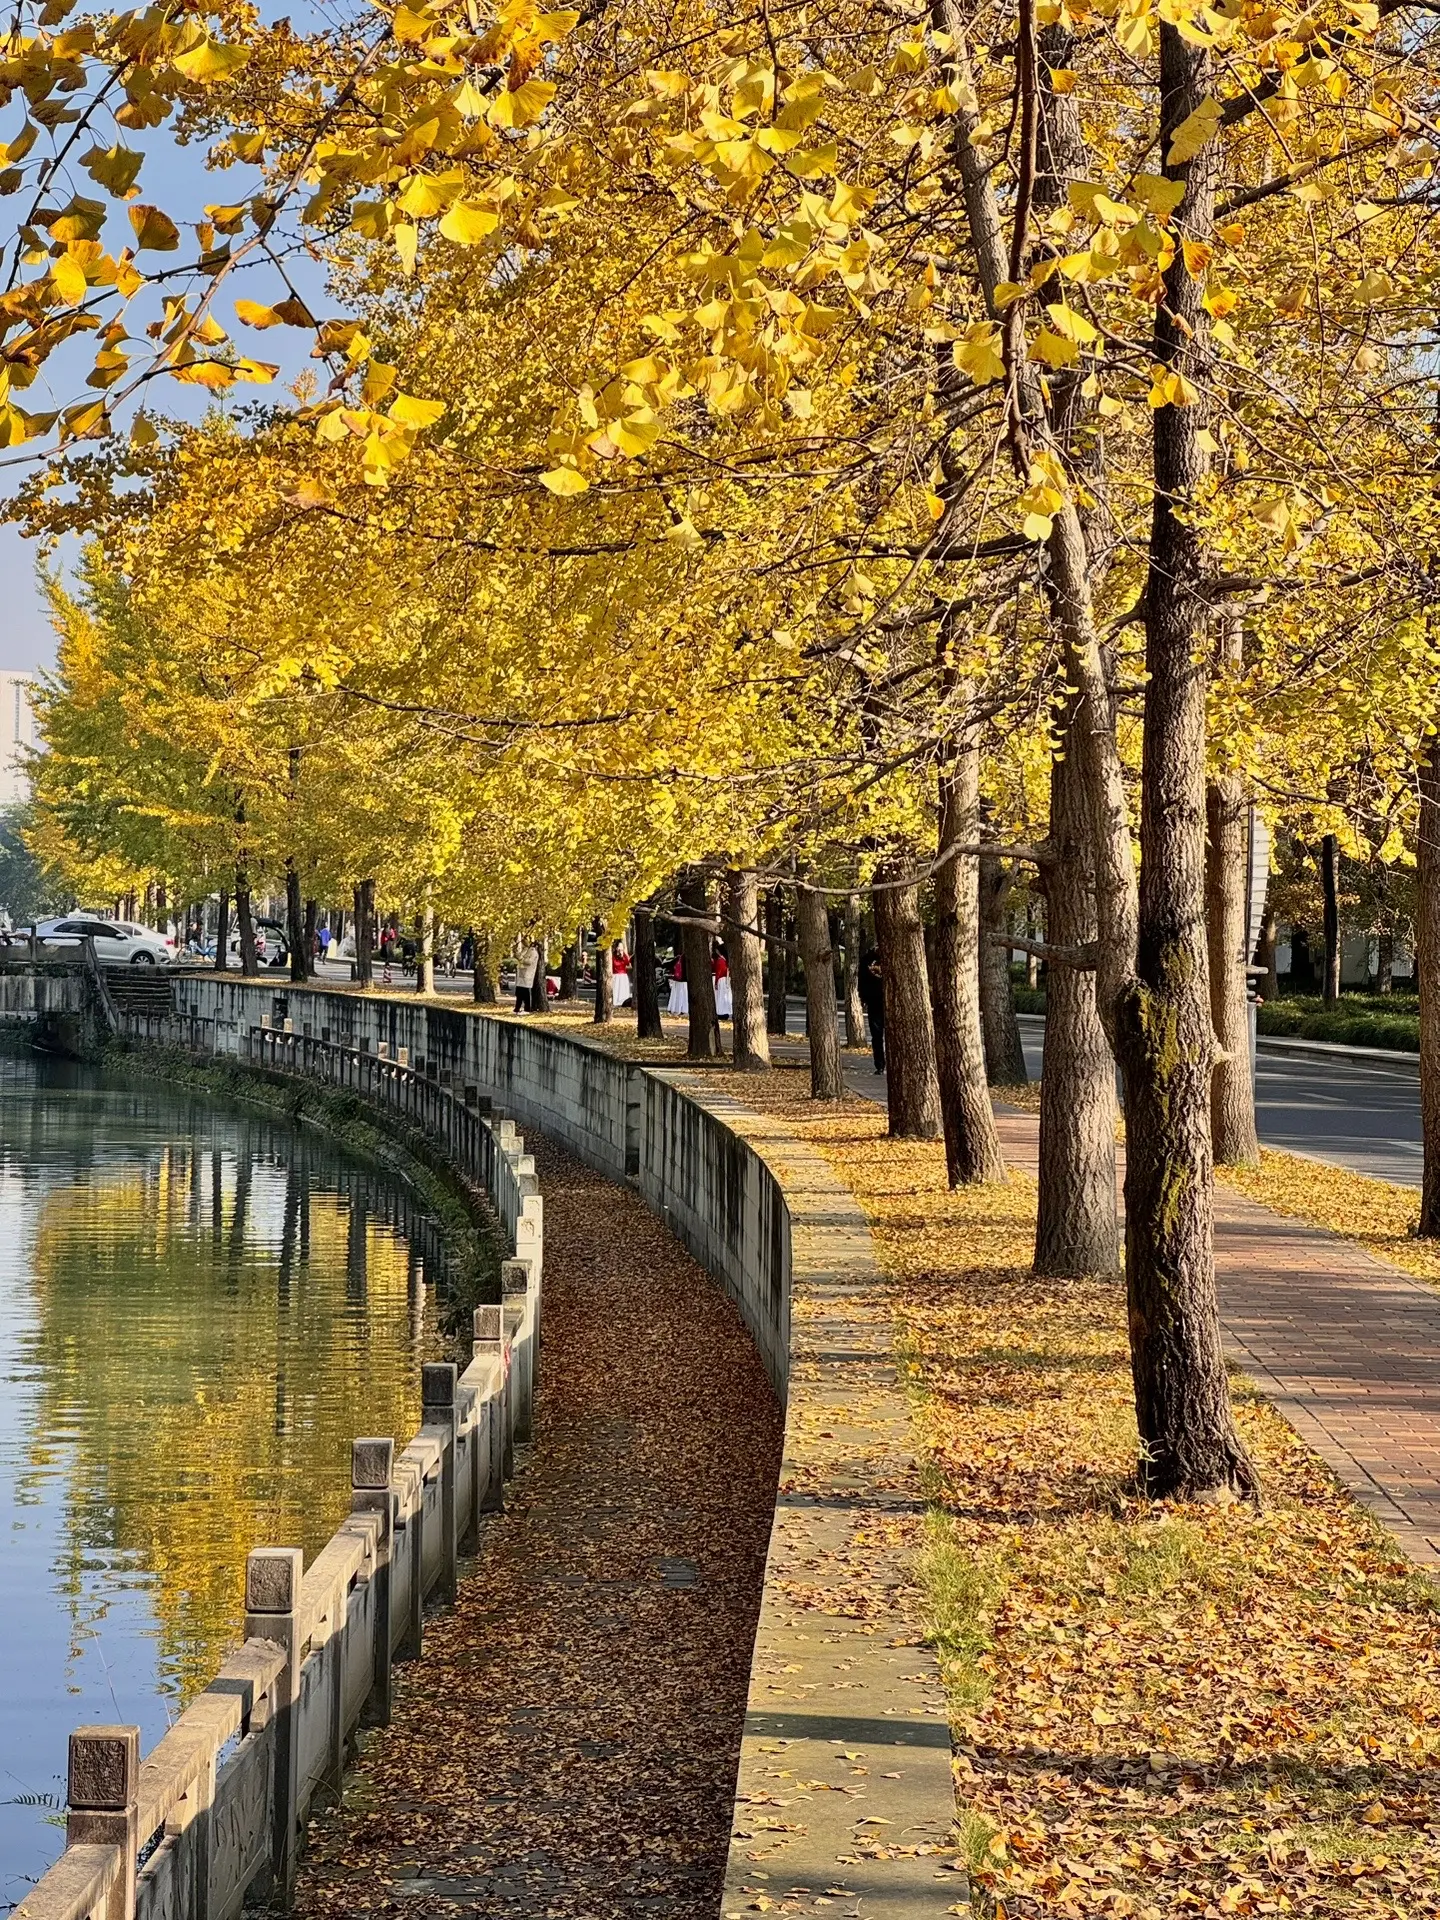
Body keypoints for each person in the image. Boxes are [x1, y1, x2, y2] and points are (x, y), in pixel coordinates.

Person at [858, 947, 885, 1072]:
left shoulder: (893, 955)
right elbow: (861, 980)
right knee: (877, 1035)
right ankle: (879, 1064)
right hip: (874, 1002)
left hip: (890, 1002)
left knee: (883, 1036)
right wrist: (863, 997)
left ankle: (886, 1063)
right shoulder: (866, 960)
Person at [515, 940, 541, 1013]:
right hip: (521, 973)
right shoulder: (525, 950)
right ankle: (517, 1008)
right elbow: (519, 955)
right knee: (519, 992)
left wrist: (521, 959)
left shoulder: (533, 952)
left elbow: (529, 962)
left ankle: (527, 1008)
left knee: (526, 993)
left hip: (527, 974)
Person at [712, 942, 732, 1019]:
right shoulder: (726, 960)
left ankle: (722, 1012)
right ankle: (727, 1011)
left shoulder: (720, 960)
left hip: (721, 980)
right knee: (726, 996)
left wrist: (716, 982)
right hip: (726, 979)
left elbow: (718, 973)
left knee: (721, 996)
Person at [667, 950, 688, 1018]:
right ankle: (683, 1009)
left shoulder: (679, 958)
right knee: (683, 995)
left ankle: (675, 1008)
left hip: (677, 979)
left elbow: (670, 965)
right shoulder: (688, 959)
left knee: (677, 995)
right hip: (684, 980)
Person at [612, 943, 633, 1008]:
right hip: (616, 975)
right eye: (619, 947)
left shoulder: (625, 956)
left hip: (623, 975)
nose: (620, 949)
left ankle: (623, 1002)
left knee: (623, 989)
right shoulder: (613, 956)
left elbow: (630, 966)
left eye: (622, 947)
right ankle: (615, 1002)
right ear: (616, 948)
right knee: (616, 989)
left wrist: (623, 968)